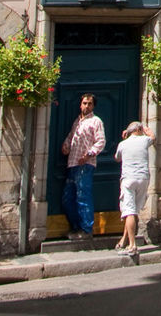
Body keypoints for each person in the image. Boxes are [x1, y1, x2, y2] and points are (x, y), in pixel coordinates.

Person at [60, 93, 106, 240]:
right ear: (80, 105)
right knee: (68, 198)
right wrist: (66, 146)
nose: (87, 106)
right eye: (85, 103)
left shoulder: (96, 121)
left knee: (83, 197)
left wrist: (88, 155)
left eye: (90, 104)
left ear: (93, 106)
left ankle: (86, 229)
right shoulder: (77, 121)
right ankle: (75, 227)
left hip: (85, 164)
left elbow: (101, 141)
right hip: (72, 163)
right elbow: (71, 136)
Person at [114, 121, 154, 256]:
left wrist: (125, 138)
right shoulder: (144, 141)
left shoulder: (123, 144)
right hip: (143, 179)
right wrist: (146, 129)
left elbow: (117, 158)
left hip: (129, 180)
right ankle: (124, 240)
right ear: (139, 129)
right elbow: (152, 137)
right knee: (133, 211)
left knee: (129, 211)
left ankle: (132, 245)